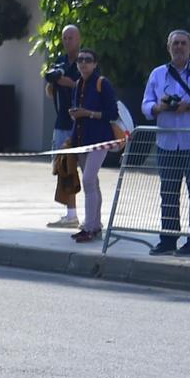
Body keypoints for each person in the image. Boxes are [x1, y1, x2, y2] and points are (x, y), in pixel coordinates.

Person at [141, 29, 190, 257]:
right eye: (175, 43)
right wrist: (158, 107)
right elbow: (146, 104)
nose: (179, 47)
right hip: (166, 142)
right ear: (168, 47)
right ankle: (168, 239)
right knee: (168, 193)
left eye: (183, 43)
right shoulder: (158, 74)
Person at [66, 49, 119, 242]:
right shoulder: (78, 84)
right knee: (92, 182)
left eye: (88, 60)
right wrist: (76, 114)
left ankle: (89, 226)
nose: (83, 64)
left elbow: (112, 113)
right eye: (80, 60)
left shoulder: (102, 83)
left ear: (95, 64)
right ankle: (95, 225)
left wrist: (87, 113)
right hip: (81, 139)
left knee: (88, 180)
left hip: (100, 139)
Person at [44, 23, 82, 229]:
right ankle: (71, 214)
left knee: (87, 171)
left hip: (82, 122)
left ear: (79, 39)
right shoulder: (59, 61)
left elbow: (90, 86)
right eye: (65, 38)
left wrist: (70, 83)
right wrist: (53, 81)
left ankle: (93, 217)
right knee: (64, 168)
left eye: (71, 38)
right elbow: (50, 90)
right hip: (62, 121)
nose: (68, 42)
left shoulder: (85, 60)